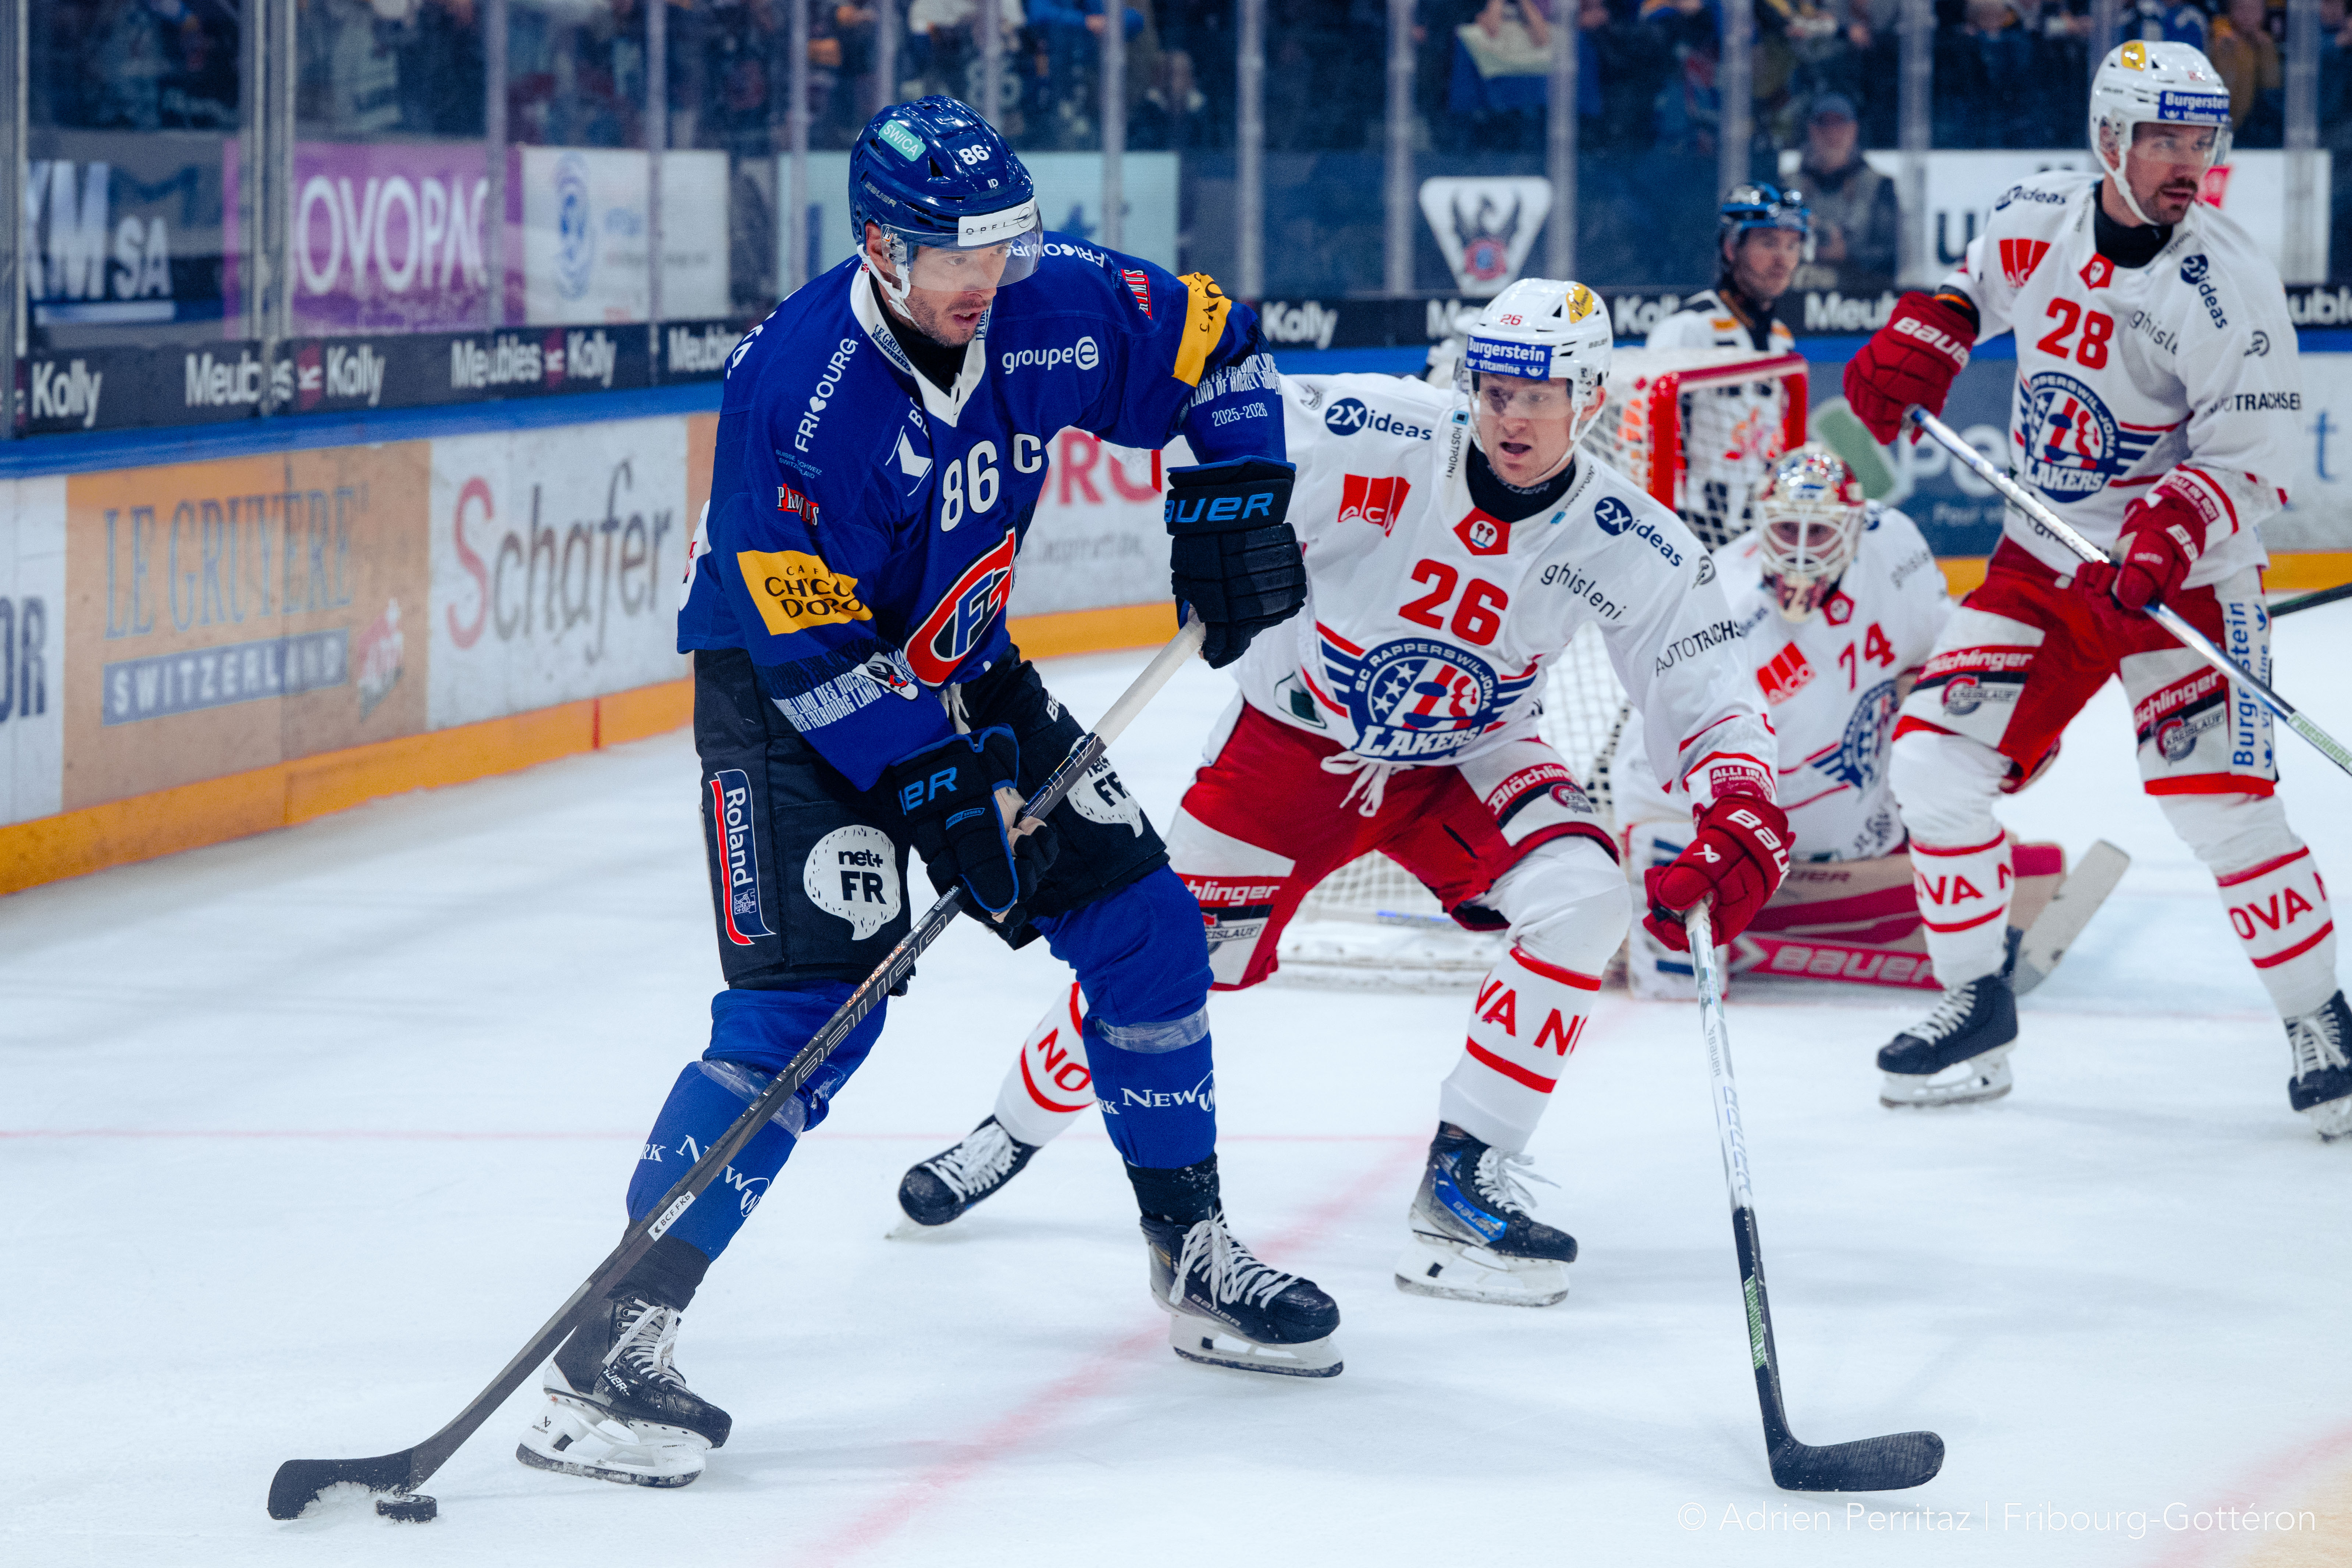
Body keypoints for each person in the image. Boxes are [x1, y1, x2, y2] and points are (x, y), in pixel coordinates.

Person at [517, 95, 1330, 1491]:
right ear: (883, 247)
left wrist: (1237, 497)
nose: (987, 277)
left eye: (1003, 245)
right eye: (958, 253)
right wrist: (940, 786)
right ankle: (616, 1332)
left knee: (1145, 927)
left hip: (962, 661)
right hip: (791, 699)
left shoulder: (1044, 305)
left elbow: (1221, 344)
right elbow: (801, 635)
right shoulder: (797, 389)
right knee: (807, 1012)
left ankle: (1189, 1246)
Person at [888, 279, 1790, 1310]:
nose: (1512, 417)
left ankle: (1463, 1178)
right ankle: (1008, 1129)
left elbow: (1703, 680)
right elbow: (1224, 414)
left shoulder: (1629, 538)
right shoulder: (1371, 431)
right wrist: (1226, 517)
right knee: (1159, 959)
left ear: (1589, 398)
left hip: (1468, 758)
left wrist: (1740, 801)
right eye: (1497, 391)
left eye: (1540, 396)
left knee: (1585, 896)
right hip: (1290, 754)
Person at [1840, 42, 2346, 1134]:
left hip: (2181, 582)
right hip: (2041, 565)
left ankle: (2319, 1018)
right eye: (2161, 138)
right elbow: (1972, 290)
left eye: (2200, 139)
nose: (2186, 162)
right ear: (2106, 139)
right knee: (1930, 760)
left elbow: (2254, 460)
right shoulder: (2033, 218)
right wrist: (1928, 333)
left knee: (2218, 805)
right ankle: (1975, 1002)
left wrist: (2169, 530)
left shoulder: (2228, 285)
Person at [1613, 445, 1958, 996]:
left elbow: (1936, 659)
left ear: (1853, 527)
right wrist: (1654, 866)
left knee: (1954, 735)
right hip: (1752, 842)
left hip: (1865, 827)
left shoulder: (1893, 547)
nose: (1799, 551)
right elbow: (1643, 763)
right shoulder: (1721, 606)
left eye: (1817, 532)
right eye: (1785, 529)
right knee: (1674, 988)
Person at [1645, 183, 1808, 547]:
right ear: (1731, 248)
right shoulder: (1688, 328)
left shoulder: (1781, 339)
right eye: (1768, 243)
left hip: (1754, 522)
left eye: (1792, 245)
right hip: (1687, 522)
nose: (1782, 259)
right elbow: (1641, 432)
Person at [1794, 93, 1897, 284]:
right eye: (1824, 125)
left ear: (1854, 130)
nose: (1832, 134)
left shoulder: (1878, 187)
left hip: (1857, 295)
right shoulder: (1788, 187)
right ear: (1812, 130)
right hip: (1798, 290)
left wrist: (1848, 255)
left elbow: (1892, 256)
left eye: (1840, 125)